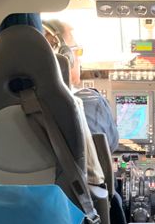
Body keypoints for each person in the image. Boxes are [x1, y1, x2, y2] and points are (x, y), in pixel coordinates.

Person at [42, 18, 119, 152]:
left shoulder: (6, 106)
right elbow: (109, 146)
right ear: (65, 56)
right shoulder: (90, 101)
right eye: (77, 51)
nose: (79, 58)